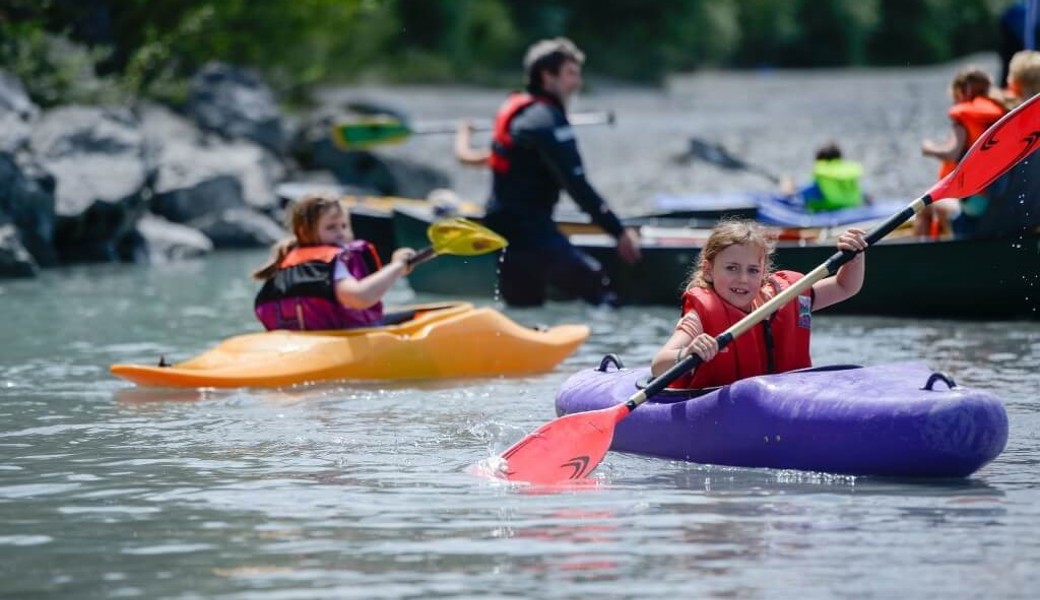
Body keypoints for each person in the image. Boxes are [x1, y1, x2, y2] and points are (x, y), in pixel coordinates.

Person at [477, 37, 641, 307]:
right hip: (529, 232)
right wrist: (618, 231)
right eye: (570, 74)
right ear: (547, 76)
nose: (578, 82)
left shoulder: (523, 113)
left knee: (526, 308)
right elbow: (576, 185)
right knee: (597, 286)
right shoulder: (546, 121)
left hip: (502, 228)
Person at [650, 219, 867, 389]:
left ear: (763, 273)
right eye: (732, 268)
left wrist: (854, 258)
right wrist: (688, 352)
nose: (743, 279)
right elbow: (658, 365)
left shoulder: (782, 297)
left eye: (752, 270)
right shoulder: (701, 315)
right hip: (722, 410)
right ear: (708, 270)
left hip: (787, 397)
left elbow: (844, 286)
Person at [252, 192, 416, 331]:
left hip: (299, 340)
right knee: (415, 317)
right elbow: (360, 297)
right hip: (338, 340)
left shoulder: (285, 264)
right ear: (304, 232)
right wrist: (398, 266)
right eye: (331, 227)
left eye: (344, 226)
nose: (341, 234)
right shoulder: (331, 262)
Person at [916, 66, 1009, 237]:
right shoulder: (1003, 112)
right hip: (999, 200)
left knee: (924, 204)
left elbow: (952, 152)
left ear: (962, 91)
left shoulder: (964, 117)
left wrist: (928, 147)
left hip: (976, 203)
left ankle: (919, 251)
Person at [973, 50, 1040, 238]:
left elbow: (995, 188)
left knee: (936, 208)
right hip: (1034, 223)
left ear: (1013, 85)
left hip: (997, 226)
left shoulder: (1004, 127)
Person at [778, 142, 865, 212]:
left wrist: (786, 183)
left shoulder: (820, 183)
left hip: (826, 215)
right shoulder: (848, 179)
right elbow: (862, 196)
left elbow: (792, 195)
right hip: (852, 212)